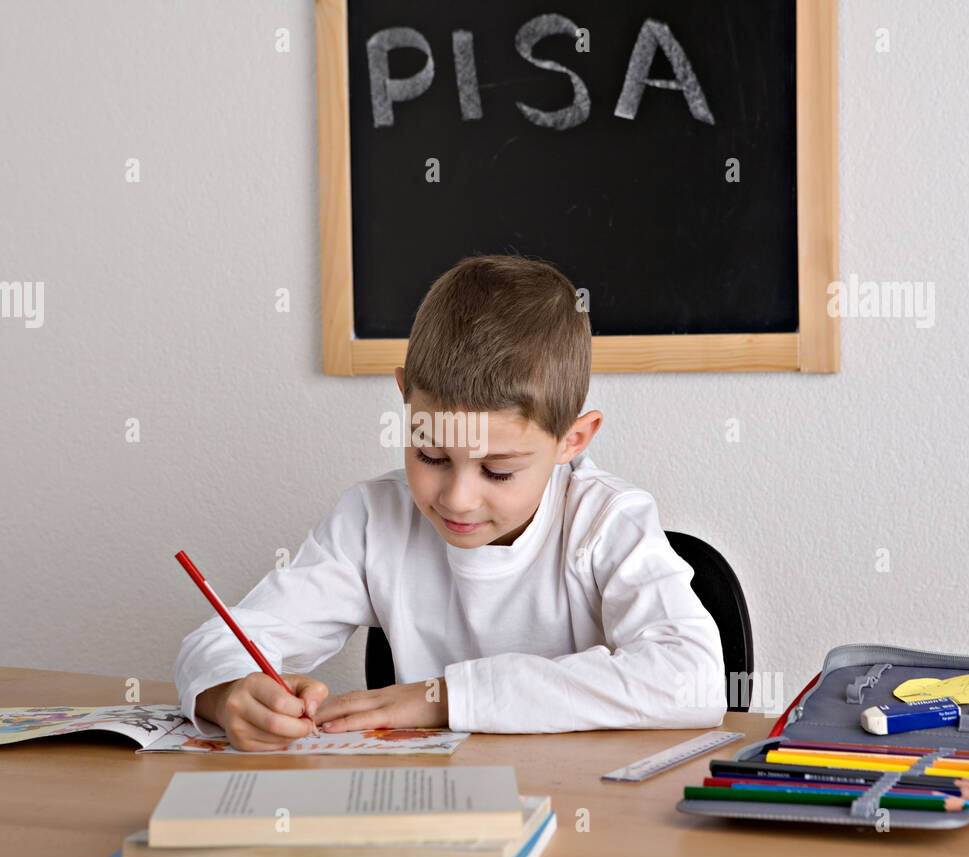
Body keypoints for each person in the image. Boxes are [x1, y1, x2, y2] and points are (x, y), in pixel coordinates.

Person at [175, 254, 727, 751]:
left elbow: (692, 679)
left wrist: (443, 696)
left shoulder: (607, 520)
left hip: (585, 810)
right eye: (431, 456)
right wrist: (228, 694)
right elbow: (220, 642)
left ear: (572, 441)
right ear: (403, 399)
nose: (458, 499)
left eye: (498, 470)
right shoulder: (373, 519)